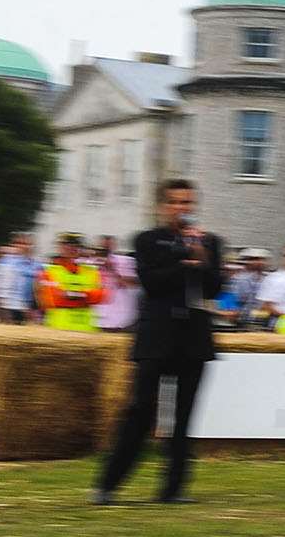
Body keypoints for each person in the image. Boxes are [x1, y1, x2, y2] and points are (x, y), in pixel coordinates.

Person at [94, 180, 222, 505]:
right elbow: (151, 282)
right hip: (158, 337)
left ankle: (173, 489)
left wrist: (202, 257)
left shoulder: (208, 241)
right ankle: (108, 485)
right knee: (139, 411)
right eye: (176, 202)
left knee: (183, 417)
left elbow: (214, 288)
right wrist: (183, 263)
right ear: (163, 206)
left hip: (193, 338)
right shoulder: (148, 240)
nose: (183, 208)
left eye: (188, 202)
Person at [38, 233, 105, 331]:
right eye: (67, 246)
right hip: (59, 328)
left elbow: (99, 297)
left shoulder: (92, 271)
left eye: (76, 246)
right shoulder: (49, 271)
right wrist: (86, 297)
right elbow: (53, 300)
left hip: (86, 329)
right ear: (60, 248)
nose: (72, 249)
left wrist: (68, 295)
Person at [0, 234, 35, 323]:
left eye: (26, 244)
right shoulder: (5, 262)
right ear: (14, 245)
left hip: (26, 307)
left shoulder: (35, 265)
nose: (23, 246)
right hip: (7, 307)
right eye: (19, 243)